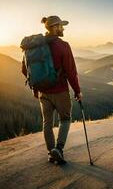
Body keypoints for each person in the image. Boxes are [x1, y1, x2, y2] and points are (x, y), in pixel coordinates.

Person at [21, 15, 82, 164]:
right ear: (55, 27)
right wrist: (77, 91)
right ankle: (58, 149)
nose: (63, 28)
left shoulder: (33, 46)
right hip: (60, 91)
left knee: (47, 123)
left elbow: (24, 69)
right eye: (61, 26)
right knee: (65, 119)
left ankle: (50, 153)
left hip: (43, 92)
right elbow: (71, 72)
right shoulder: (63, 46)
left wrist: (38, 84)